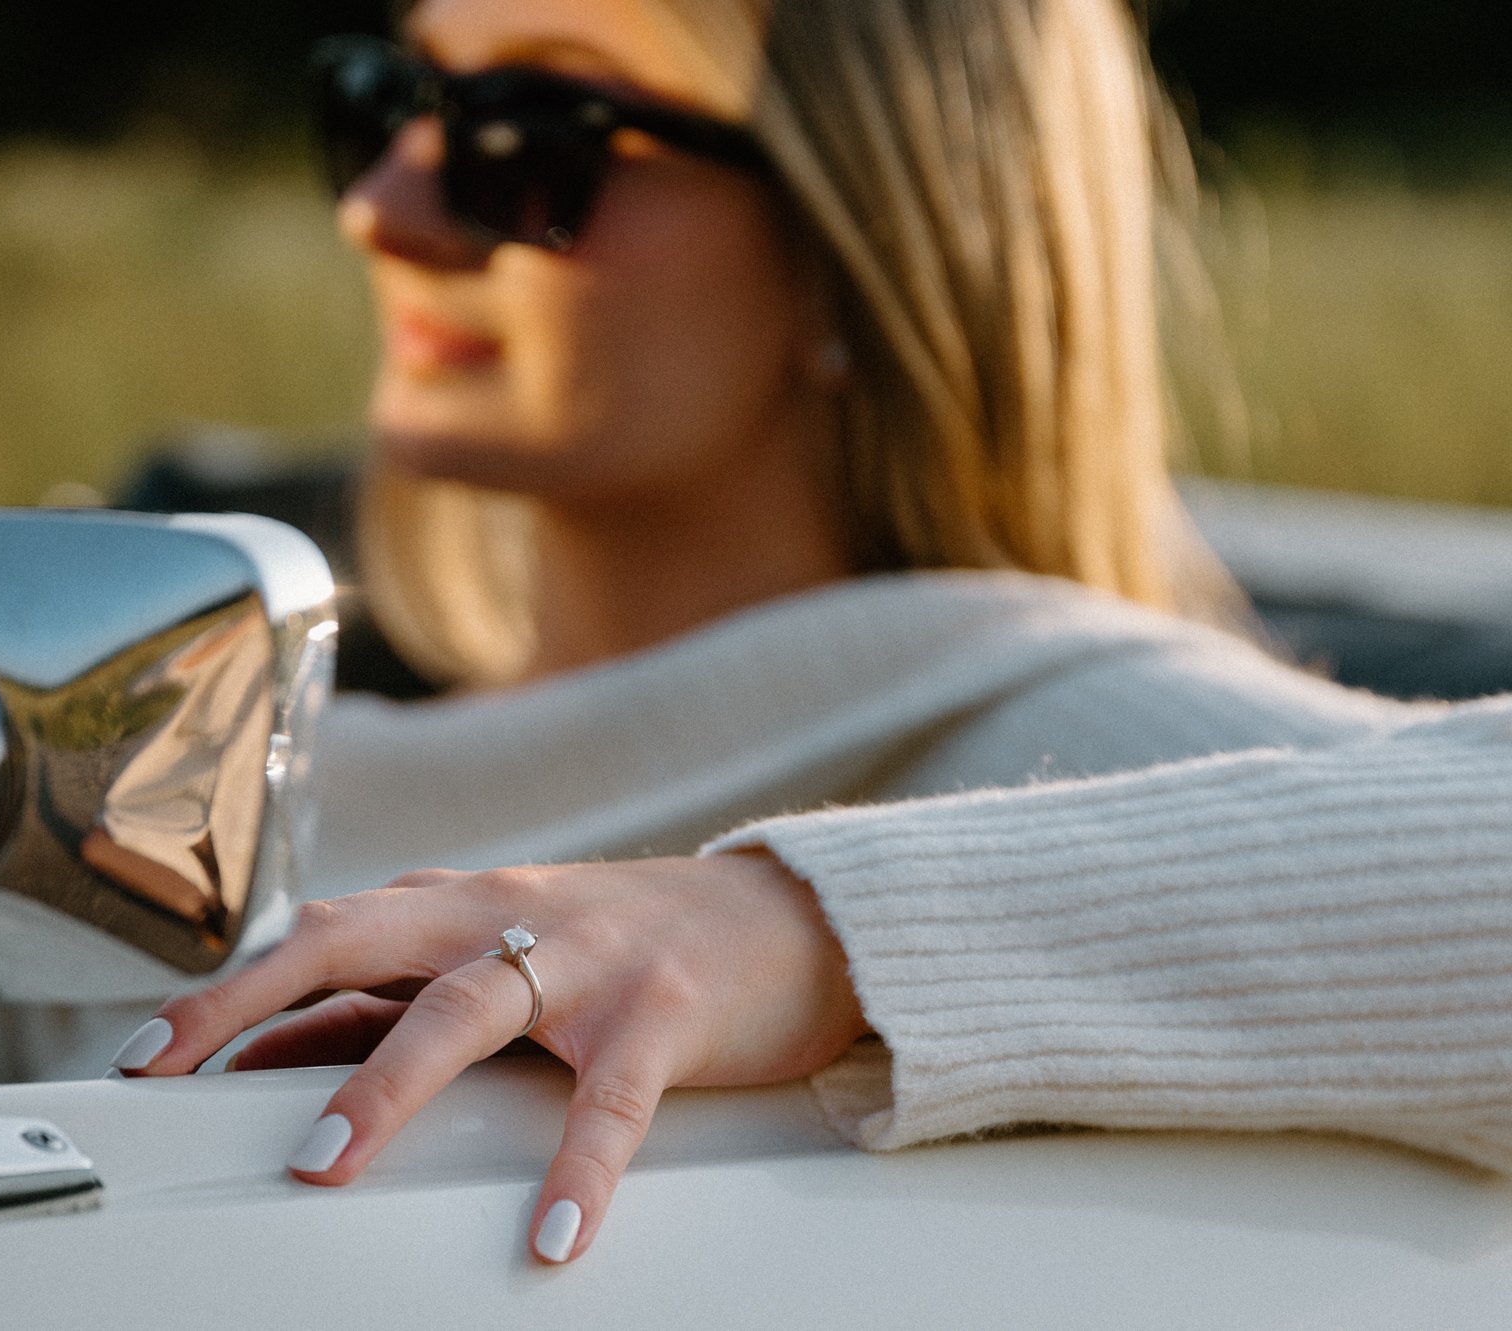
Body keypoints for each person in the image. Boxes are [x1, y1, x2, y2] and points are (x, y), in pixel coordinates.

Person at [108, 0, 1512, 1267]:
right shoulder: (226, 775)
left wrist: (804, 925)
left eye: (532, 133)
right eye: (383, 99)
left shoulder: (1042, 718)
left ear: (867, 244)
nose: (386, 208)